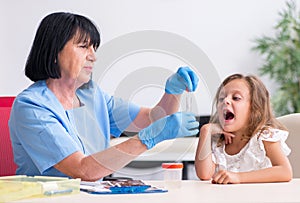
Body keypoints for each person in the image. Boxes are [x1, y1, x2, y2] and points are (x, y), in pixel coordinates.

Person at [8, 12, 200, 181]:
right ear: (54, 52)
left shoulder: (92, 95)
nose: (93, 56)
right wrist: (147, 139)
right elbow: (83, 170)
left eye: (94, 48)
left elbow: (152, 120)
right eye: (83, 46)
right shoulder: (31, 106)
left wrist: (173, 93)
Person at [195, 73, 293, 184]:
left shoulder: (263, 136)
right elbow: (204, 175)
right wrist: (205, 131)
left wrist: (239, 177)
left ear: (254, 109)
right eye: (221, 98)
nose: (225, 101)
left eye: (236, 98)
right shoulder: (218, 141)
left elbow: (285, 171)